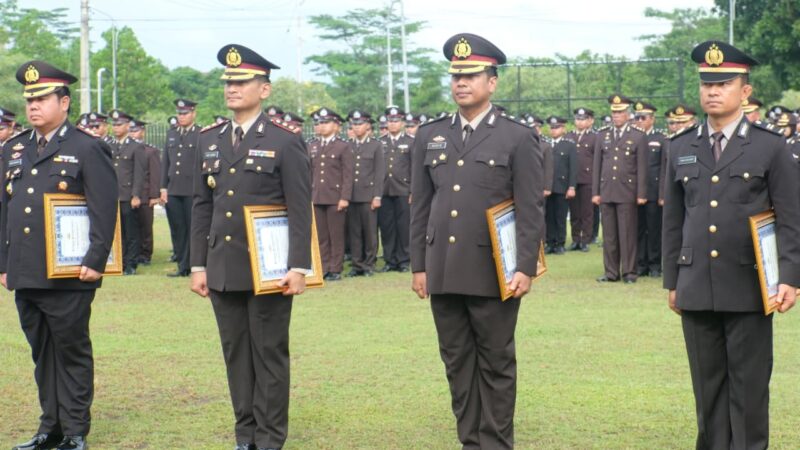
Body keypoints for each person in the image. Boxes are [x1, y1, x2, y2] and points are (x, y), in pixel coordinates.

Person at [663, 40, 800, 450]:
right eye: (707, 83)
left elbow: (791, 217)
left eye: (724, 83)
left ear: (745, 90)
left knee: (749, 390)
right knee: (708, 392)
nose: (713, 91)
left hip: (750, 285)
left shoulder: (770, 146)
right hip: (696, 285)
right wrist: (673, 280)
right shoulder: (681, 145)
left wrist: (790, 276)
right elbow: (674, 220)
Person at [410, 33, 543, 450]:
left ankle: (496, 442)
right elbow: (420, 206)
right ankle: (470, 440)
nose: (461, 83)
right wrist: (419, 265)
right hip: (444, 269)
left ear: (492, 81)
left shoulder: (517, 137)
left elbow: (529, 208)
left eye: (471, 75)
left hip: (494, 271)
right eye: (456, 76)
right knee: (456, 361)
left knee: (496, 362)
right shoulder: (429, 135)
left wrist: (524, 266)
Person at [190, 43, 312, 450]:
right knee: (236, 355)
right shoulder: (210, 140)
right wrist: (197, 265)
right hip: (223, 266)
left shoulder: (284, 141)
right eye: (228, 81)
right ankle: (246, 436)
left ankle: (270, 437)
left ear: (265, 90)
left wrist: (299, 266)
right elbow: (202, 206)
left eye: (242, 81)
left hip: (270, 269)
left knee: (269, 355)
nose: (232, 88)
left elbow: (299, 208)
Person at [2, 60, 118, 450]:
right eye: (29, 99)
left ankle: (74, 431)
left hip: (70, 272)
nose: (33, 106)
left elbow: (104, 209)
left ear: (64, 102)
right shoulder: (14, 148)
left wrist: (95, 260)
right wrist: (3, 265)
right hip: (26, 270)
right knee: (42, 353)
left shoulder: (87, 147)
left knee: (71, 351)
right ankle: (48, 426)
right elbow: (5, 210)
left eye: (42, 98)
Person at [593, 94, 647, 283]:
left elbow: (641, 167)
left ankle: (630, 272)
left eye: (620, 112)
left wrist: (641, 193)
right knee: (609, 236)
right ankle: (611, 272)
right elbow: (597, 166)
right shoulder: (602, 135)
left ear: (628, 115)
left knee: (627, 234)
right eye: (614, 112)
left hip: (627, 192)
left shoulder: (638, 136)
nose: (616, 115)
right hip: (607, 191)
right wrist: (595, 192)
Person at [307, 107, 353, 281]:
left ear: (336, 126)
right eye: (320, 123)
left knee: (336, 235)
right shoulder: (313, 146)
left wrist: (344, 197)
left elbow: (348, 175)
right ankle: (323, 266)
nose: (322, 126)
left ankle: (335, 268)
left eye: (326, 123)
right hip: (317, 196)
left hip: (335, 198)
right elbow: (309, 173)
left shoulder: (343, 146)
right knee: (321, 236)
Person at [162, 99, 200, 277]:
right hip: (174, 189)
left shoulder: (200, 134)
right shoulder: (172, 134)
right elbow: (166, 163)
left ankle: (193, 265)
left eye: (185, 113)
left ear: (193, 114)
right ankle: (182, 265)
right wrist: (163, 187)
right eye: (179, 113)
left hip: (192, 190)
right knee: (178, 229)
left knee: (193, 228)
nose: (181, 117)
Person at [345, 110, 385, 277]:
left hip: (368, 196)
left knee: (369, 232)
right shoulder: (349, 145)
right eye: (354, 124)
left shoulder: (375, 145)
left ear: (368, 126)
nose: (356, 127)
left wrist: (377, 196)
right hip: (352, 196)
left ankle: (369, 264)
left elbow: (379, 172)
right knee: (354, 232)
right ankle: (357, 264)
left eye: (360, 124)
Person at [109, 109, 147, 275]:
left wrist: (136, 195)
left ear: (127, 126)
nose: (116, 128)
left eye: (119, 125)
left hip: (128, 195)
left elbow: (139, 173)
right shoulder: (109, 145)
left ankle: (131, 264)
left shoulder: (135, 147)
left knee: (131, 232)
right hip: (113, 195)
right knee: (117, 232)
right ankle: (120, 262)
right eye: (114, 125)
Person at [633, 101, 668, 277]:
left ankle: (654, 264)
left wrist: (662, 194)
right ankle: (641, 263)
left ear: (652, 119)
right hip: (636, 191)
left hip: (653, 191)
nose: (639, 120)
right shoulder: (633, 137)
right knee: (638, 229)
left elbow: (663, 169)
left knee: (654, 229)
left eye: (643, 117)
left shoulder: (661, 138)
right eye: (636, 117)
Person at [378, 106, 413, 272]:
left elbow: (415, 169)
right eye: (390, 121)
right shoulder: (380, 142)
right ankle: (389, 260)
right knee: (387, 227)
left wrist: (413, 191)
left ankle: (404, 260)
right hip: (384, 190)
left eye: (396, 121)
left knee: (404, 227)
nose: (392, 124)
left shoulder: (411, 141)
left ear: (402, 123)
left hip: (404, 190)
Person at [129, 119, 161, 266]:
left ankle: (146, 254)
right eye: (131, 130)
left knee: (146, 225)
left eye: (135, 130)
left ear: (142, 131)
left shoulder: (150, 151)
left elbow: (155, 174)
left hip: (145, 194)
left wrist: (154, 196)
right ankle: (133, 253)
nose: (132, 134)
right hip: (129, 193)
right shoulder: (126, 149)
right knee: (132, 226)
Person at [544, 115, 576, 255]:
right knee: (548, 217)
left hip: (562, 186)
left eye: (557, 127)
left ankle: (560, 243)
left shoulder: (569, 145)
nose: (554, 130)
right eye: (552, 127)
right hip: (547, 187)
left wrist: (571, 186)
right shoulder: (545, 144)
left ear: (563, 129)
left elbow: (573, 168)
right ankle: (550, 242)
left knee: (560, 217)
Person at [566, 107, 597, 252]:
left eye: (583, 119)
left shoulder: (595, 137)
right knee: (574, 212)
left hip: (588, 179)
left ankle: (585, 240)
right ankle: (575, 239)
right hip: (572, 180)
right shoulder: (569, 136)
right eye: (578, 119)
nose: (579, 122)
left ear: (590, 121)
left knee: (587, 212)